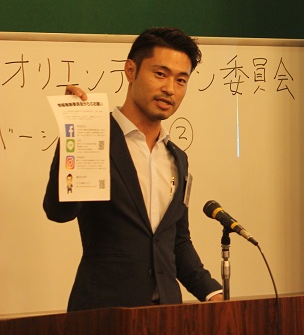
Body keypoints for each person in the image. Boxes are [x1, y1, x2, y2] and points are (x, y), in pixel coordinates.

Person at [43, 27, 223, 311]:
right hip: (102, 313)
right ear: (130, 70)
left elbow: (176, 241)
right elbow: (59, 212)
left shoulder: (178, 158)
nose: (170, 89)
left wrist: (212, 293)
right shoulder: (95, 136)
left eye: (181, 80)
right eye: (160, 74)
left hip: (167, 315)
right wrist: (74, 134)